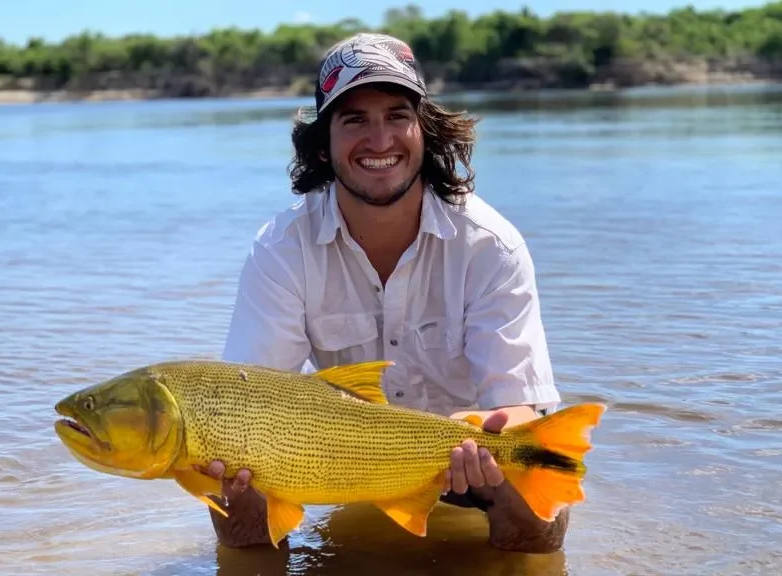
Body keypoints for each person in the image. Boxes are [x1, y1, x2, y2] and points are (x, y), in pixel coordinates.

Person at [203, 32, 567, 553]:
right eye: (354, 120)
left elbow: (520, 405)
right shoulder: (282, 249)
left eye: (397, 116)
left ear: (424, 131)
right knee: (234, 518)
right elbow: (251, 402)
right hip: (345, 463)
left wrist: (495, 436)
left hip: (470, 465)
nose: (380, 141)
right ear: (322, 145)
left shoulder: (492, 246)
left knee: (540, 525)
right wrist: (231, 465)